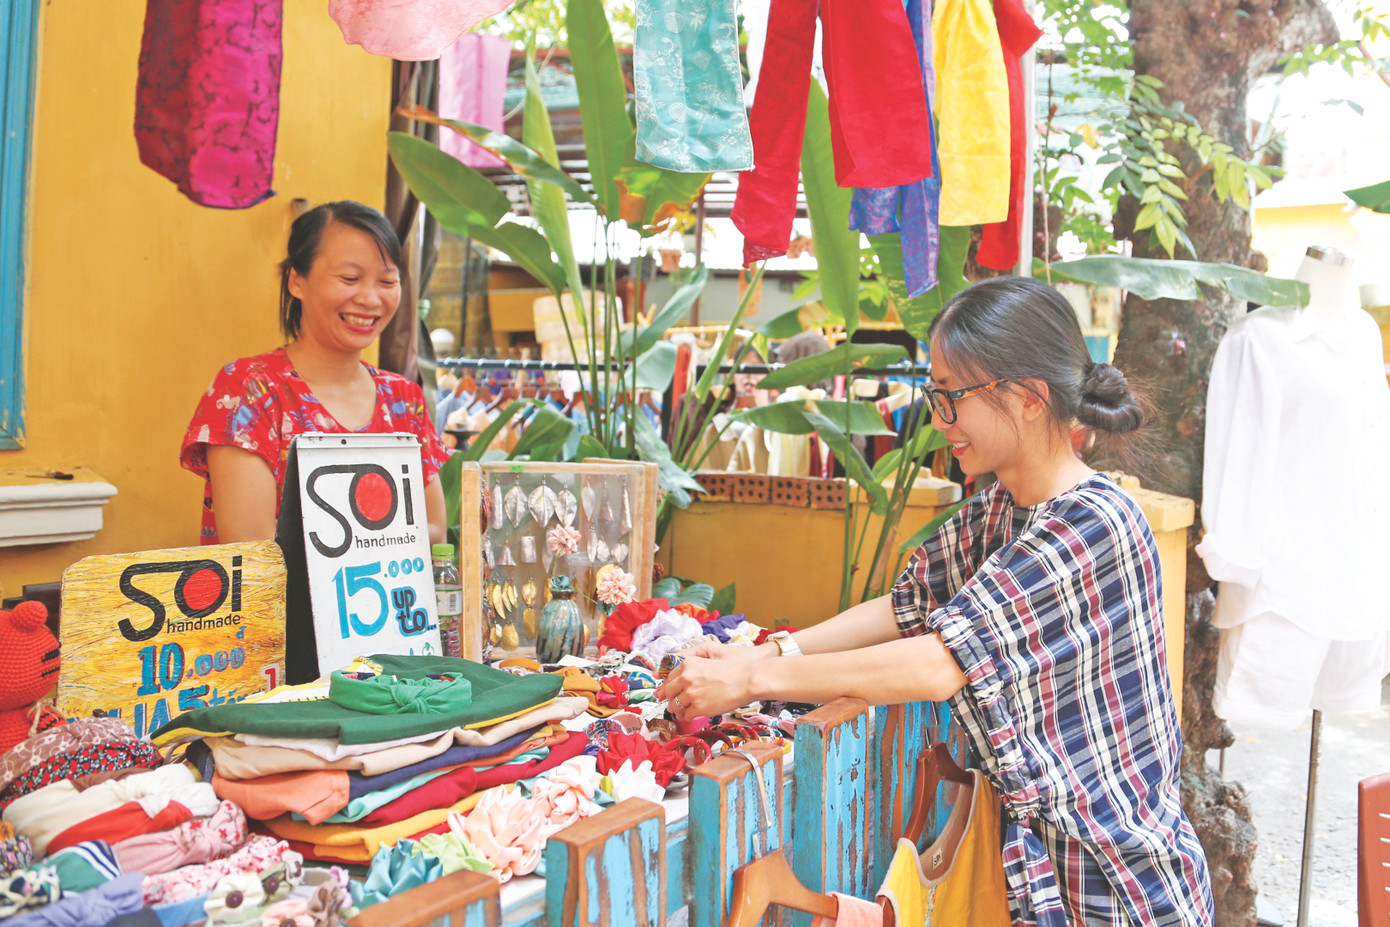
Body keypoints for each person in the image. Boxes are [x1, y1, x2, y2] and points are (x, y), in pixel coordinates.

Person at [658, 276, 1213, 926]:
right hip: (1049, 877)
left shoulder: (1094, 524)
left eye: (952, 396)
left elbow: (938, 662)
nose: (939, 418)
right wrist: (768, 650)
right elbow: (906, 607)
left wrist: (752, 680)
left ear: (1028, 398)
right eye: (935, 395)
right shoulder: (1002, 507)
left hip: (1118, 886)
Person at [181, 201, 449, 546]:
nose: (370, 299)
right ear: (296, 281)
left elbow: (436, 533)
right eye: (350, 278)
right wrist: (384, 541)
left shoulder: (404, 399)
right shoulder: (249, 390)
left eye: (387, 281)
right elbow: (254, 548)